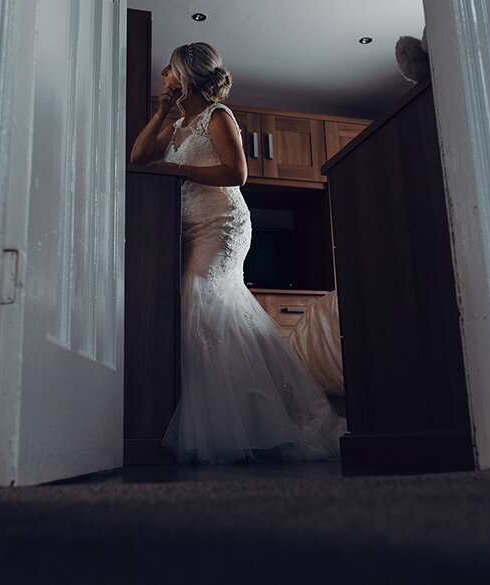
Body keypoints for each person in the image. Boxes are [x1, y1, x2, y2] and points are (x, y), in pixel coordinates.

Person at [130, 42, 345, 464]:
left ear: (186, 75)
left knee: (199, 301)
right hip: (189, 228)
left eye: (168, 72)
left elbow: (237, 173)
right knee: (205, 314)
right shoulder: (176, 126)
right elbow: (138, 157)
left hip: (222, 223)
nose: (163, 78)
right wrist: (160, 112)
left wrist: (177, 169)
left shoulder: (217, 115)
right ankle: (249, 418)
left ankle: (239, 426)